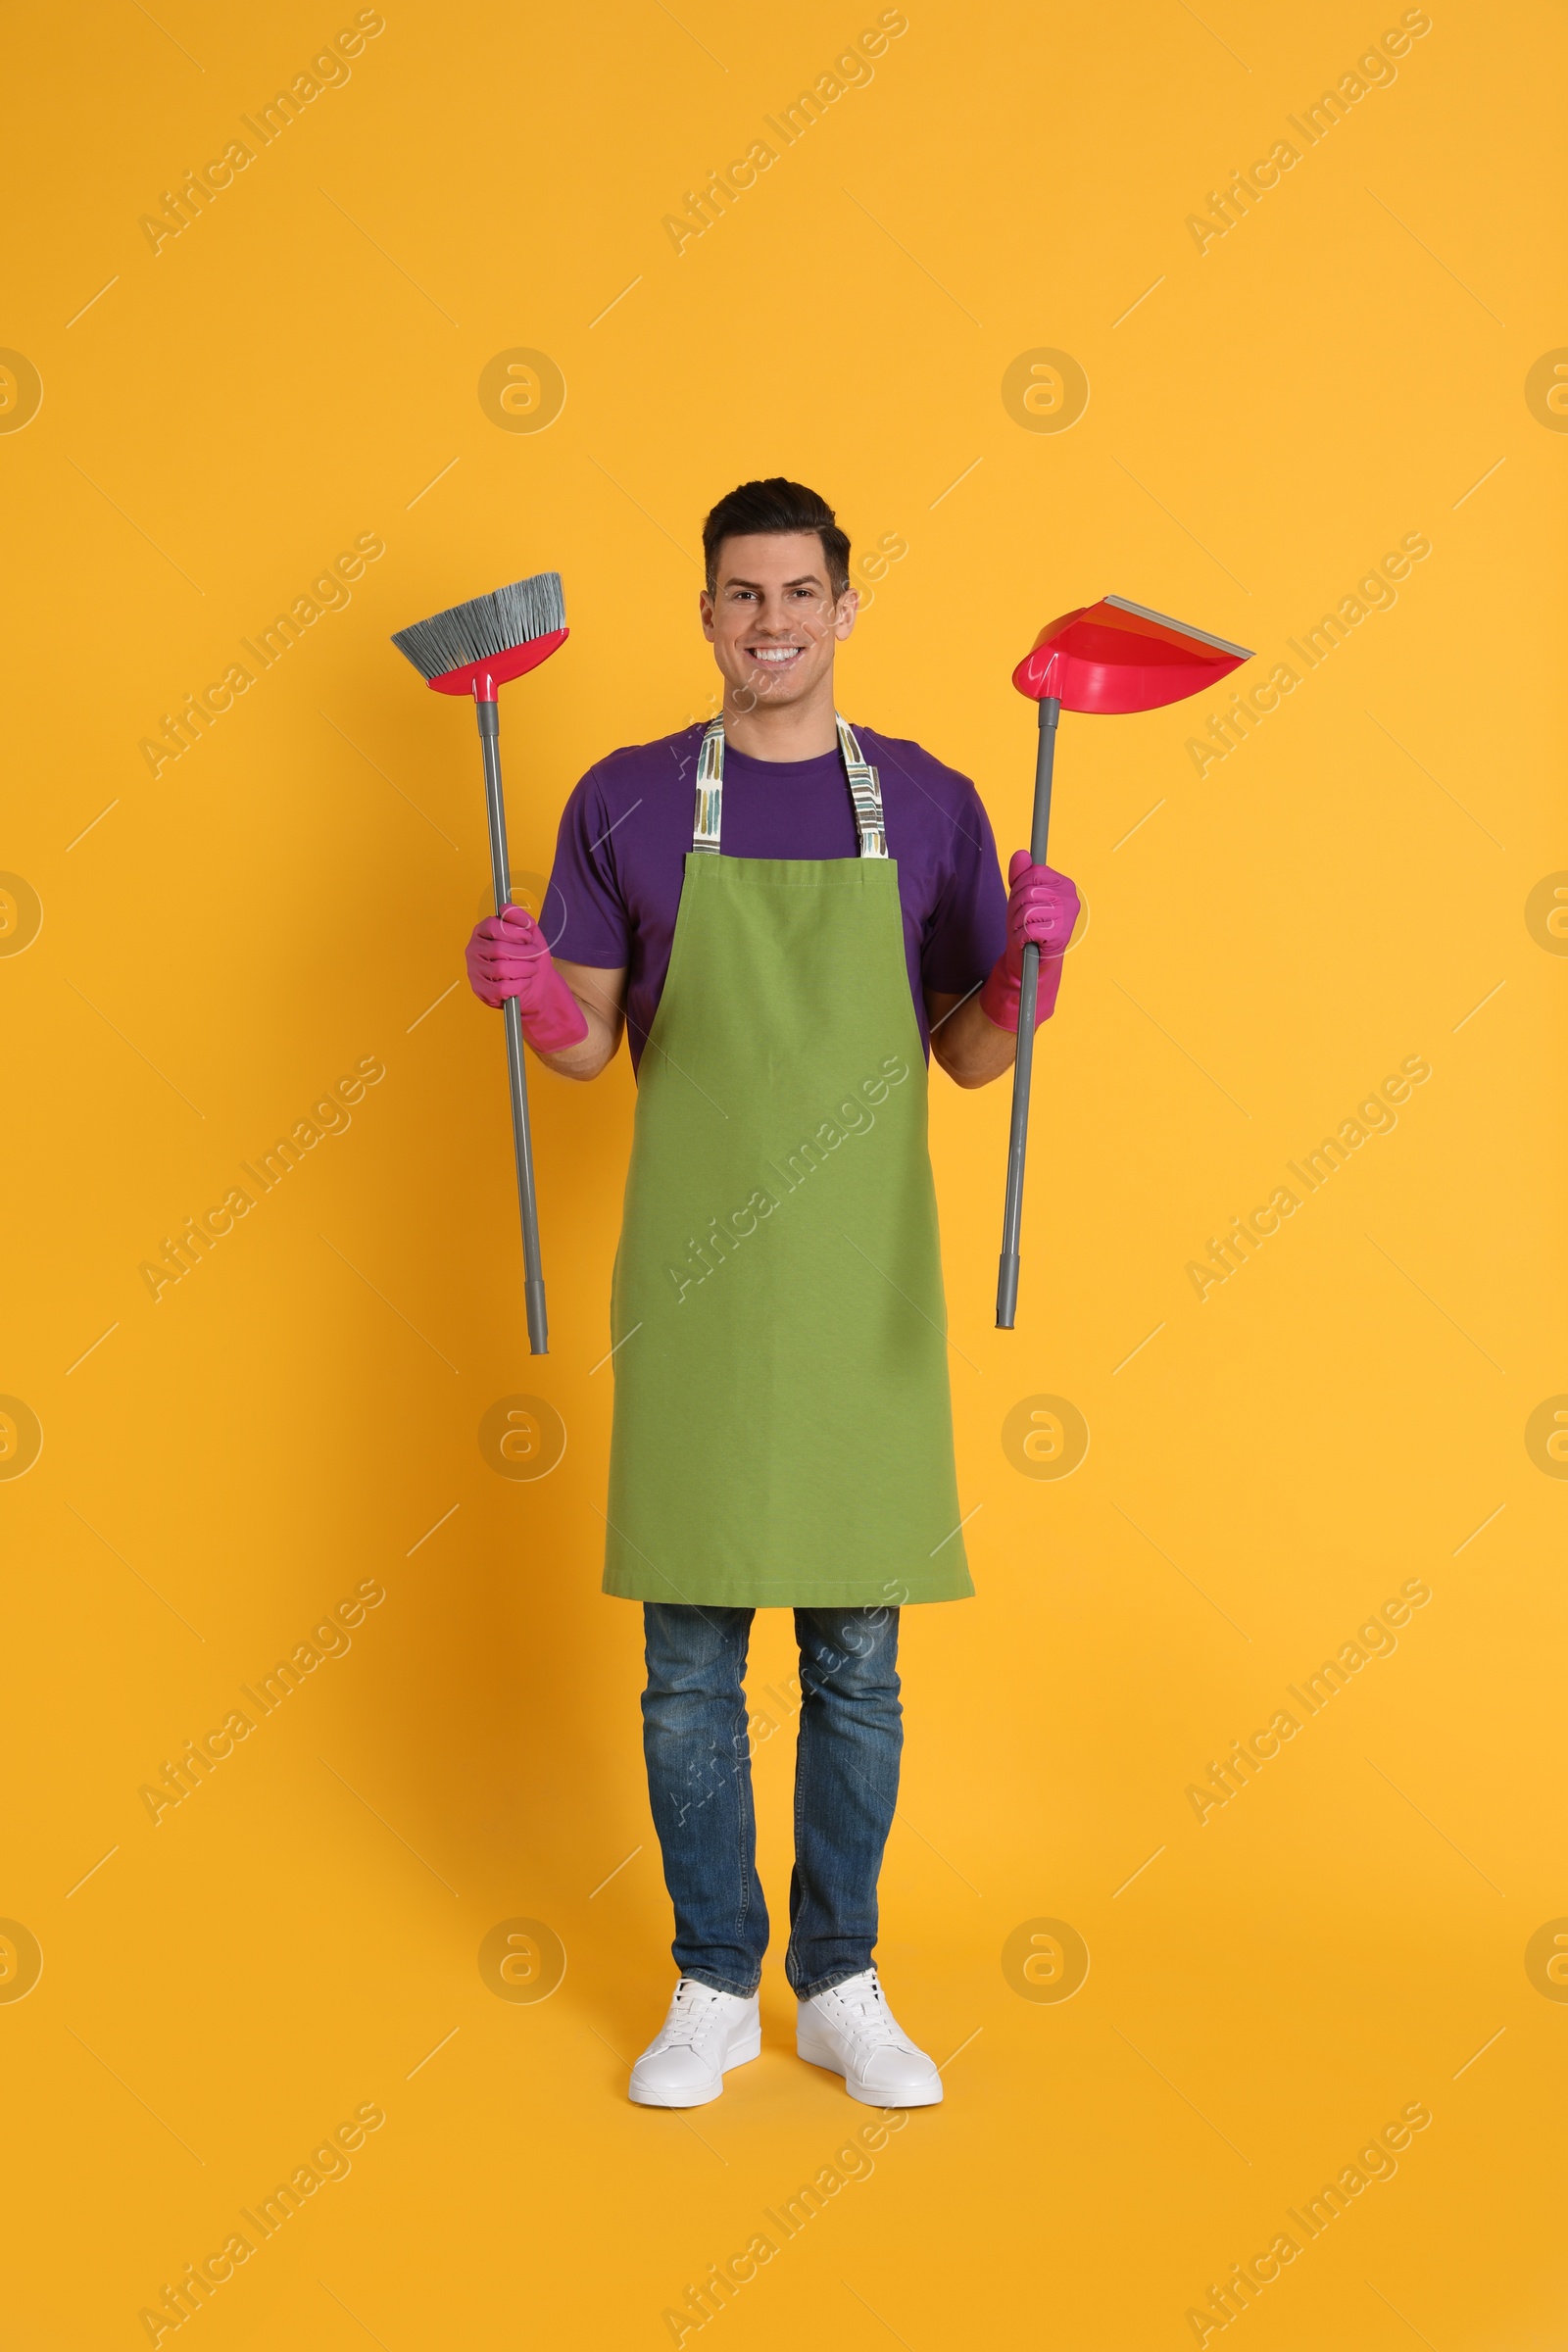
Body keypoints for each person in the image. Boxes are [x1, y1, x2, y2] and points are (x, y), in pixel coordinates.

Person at [464, 478, 1079, 2110]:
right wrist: (533, 1003)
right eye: (743, 597)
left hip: (862, 1295)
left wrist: (1033, 975)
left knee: (856, 1664)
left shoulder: (940, 807)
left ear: (847, 607)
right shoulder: (627, 799)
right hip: (701, 1295)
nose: (774, 624)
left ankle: (847, 1980)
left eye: (800, 594)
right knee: (687, 1667)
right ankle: (713, 1983)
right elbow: (593, 1046)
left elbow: (964, 1056)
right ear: (708, 614)